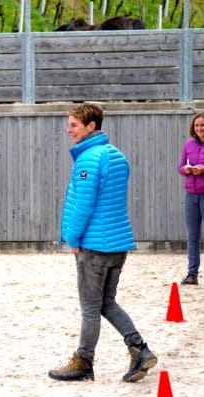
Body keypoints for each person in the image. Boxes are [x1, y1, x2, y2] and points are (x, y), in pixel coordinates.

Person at [48, 103, 157, 382]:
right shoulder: (116, 155)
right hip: (118, 243)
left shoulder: (87, 159)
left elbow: (84, 204)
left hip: (94, 245)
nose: (68, 129)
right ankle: (140, 349)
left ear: (90, 126)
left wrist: (72, 238)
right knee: (107, 303)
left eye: (73, 125)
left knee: (90, 308)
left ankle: (83, 361)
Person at [178, 112, 204, 285]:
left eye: (202, 125)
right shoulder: (188, 144)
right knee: (192, 236)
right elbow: (180, 166)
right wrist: (186, 170)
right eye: (197, 125)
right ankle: (192, 273)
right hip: (190, 195)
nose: (199, 128)